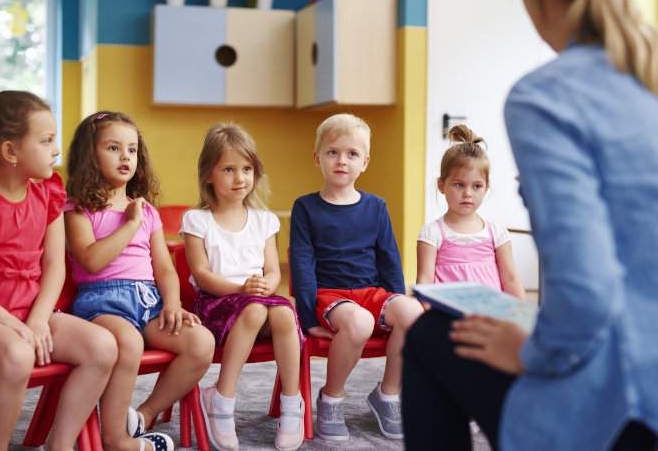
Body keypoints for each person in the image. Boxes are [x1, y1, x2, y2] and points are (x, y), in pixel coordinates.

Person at [401, 0, 658, 449]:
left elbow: (586, 290)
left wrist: (532, 351)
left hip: (628, 397)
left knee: (427, 335)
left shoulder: (546, 96)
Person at [0, 89, 117, 451]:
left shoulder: (48, 195)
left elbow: (53, 268)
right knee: (17, 352)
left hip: (34, 315)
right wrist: (11, 324)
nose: (56, 150)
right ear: (10, 151)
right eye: (47, 140)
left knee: (102, 346)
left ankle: (60, 444)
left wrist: (35, 320)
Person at [64, 111, 215, 451]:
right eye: (114, 148)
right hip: (102, 304)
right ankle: (115, 438)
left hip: (149, 303)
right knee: (128, 343)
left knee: (201, 343)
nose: (125, 157)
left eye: (131, 150)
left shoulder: (146, 211)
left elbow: (164, 269)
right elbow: (90, 258)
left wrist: (173, 305)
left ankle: (143, 415)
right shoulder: (77, 209)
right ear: (90, 155)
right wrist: (129, 226)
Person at [289, 113, 424, 441]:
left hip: (371, 293)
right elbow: (301, 266)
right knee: (361, 322)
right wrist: (307, 318)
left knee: (413, 313)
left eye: (352, 154)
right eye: (332, 152)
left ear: (365, 162)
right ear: (317, 157)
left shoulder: (376, 206)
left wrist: (396, 301)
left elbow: (390, 260)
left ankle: (387, 394)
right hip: (330, 296)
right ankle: (331, 398)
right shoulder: (306, 207)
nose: (341, 161)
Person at [181, 122, 305, 451]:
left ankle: (292, 403)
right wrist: (241, 290)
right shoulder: (197, 220)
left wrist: (267, 285)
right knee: (253, 311)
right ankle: (222, 399)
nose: (240, 178)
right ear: (208, 174)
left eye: (247, 169)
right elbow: (202, 274)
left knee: (284, 314)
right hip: (215, 305)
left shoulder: (264, 220)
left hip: (257, 304)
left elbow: (272, 270)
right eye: (229, 169)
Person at [416, 124, 526, 299]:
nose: (468, 193)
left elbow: (511, 280)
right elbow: (424, 280)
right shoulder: (431, 233)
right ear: (441, 185)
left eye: (477, 186)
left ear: (486, 188)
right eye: (459, 184)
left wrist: (521, 317)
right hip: (448, 316)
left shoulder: (497, 234)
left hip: (489, 315)